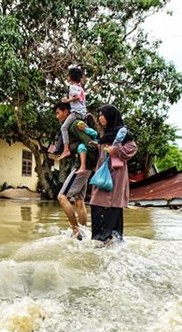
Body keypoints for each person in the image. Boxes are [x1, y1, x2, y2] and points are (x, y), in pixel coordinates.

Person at [89, 104, 138, 243]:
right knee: (98, 202)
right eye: (98, 115)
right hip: (103, 173)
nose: (99, 118)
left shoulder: (122, 133)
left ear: (110, 116)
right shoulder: (106, 135)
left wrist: (115, 150)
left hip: (115, 174)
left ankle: (105, 240)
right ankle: (105, 240)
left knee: (108, 202)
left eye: (102, 115)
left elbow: (133, 148)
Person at [54, 102, 98, 240]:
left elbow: (91, 144)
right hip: (85, 165)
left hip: (82, 166)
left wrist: (86, 164)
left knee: (62, 197)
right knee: (79, 200)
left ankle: (76, 230)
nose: (57, 116)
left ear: (66, 112)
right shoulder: (74, 126)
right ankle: (84, 233)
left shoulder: (74, 124)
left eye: (58, 113)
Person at [58, 67, 87, 160]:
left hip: (76, 113)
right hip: (82, 112)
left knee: (63, 127)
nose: (67, 77)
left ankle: (66, 149)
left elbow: (77, 97)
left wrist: (67, 100)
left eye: (68, 75)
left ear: (70, 77)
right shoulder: (79, 87)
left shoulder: (72, 87)